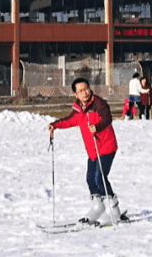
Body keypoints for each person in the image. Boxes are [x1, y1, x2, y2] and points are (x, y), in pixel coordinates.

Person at [47, 78, 123, 225]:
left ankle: (114, 211)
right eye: (80, 91)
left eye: (86, 89)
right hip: (93, 151)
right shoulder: (78, 110)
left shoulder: (98, 103)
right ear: (75, 94)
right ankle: (97, 207)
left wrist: (97, 126)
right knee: (90, 179)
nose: (84, 92)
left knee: (100, 177)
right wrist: (54, 125)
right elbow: (69, 121)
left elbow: (107, 117)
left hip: (106, 146)